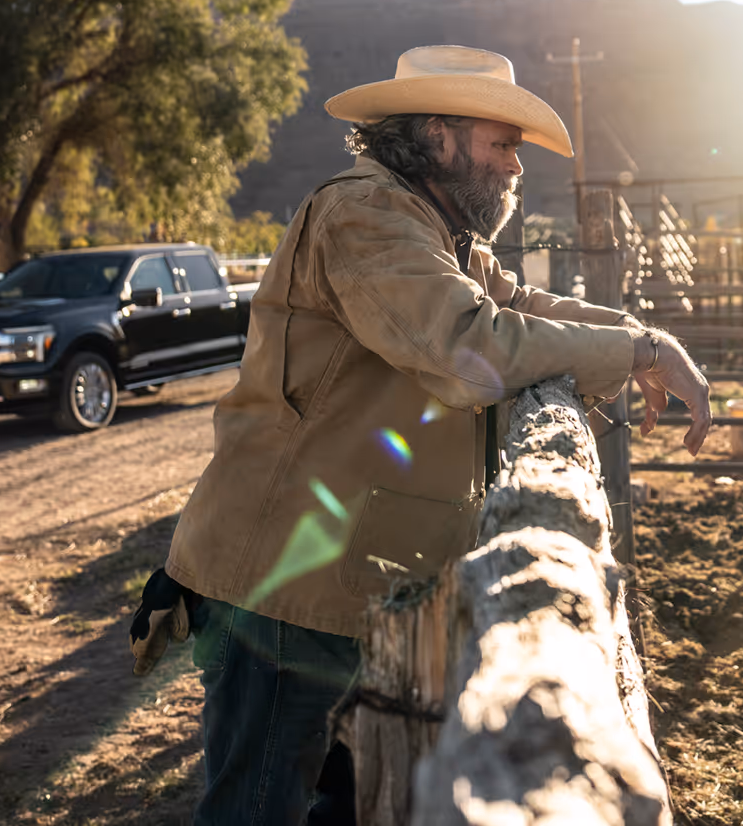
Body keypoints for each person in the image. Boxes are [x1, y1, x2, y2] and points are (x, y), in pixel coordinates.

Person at [162, 45, 713, 825]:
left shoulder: (434, 230)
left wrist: (642, 336)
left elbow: (523, 305)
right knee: (258, 806)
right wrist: (639, 351)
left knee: (346, 796)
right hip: (283, 584)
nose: (518, 168)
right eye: (504, 143)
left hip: (343, 573)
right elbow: (472, 347)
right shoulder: (366, 214)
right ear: (438, 136)